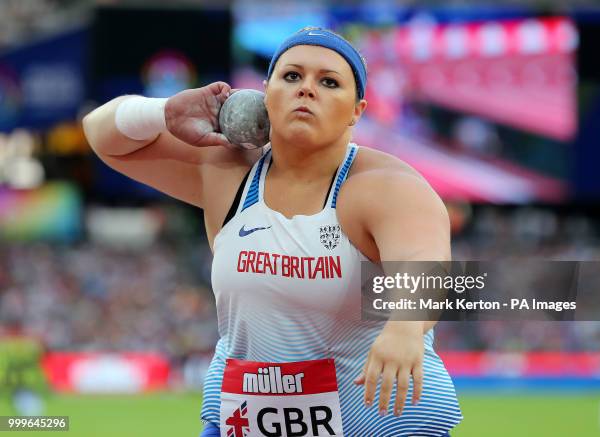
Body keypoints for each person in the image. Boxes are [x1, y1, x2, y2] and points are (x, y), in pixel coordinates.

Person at [83, 27, 462, 437]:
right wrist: (164, 112)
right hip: (244, 423)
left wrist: (405, 329)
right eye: (292, 76)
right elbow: (101, 133)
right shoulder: (228, 172)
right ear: (265, 93)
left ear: (357, 110)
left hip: (377, 423)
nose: (306, 90)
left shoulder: (387, 185)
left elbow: (424, 267)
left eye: (329, 82)